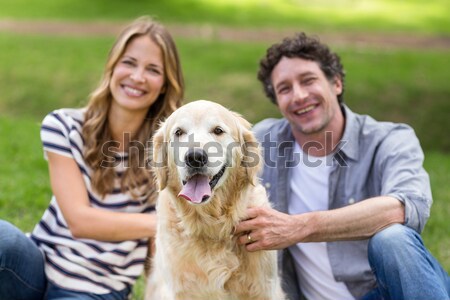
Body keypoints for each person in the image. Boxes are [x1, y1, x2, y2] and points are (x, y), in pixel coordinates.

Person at [235, 32, 450, 299]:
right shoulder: (263, 141)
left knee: (392, 240)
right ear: (277, 101)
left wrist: (300, 226)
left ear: (336, 83)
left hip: (384, 294)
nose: (299, 95)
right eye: (285, 89)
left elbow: (406, 207)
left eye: (308, 80)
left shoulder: (389, 139)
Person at [0, 16, 184, 300]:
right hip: (36, 269)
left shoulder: (169, 154)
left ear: (164, 85)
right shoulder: (63, 125)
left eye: (153, 69)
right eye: (129, 62)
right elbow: (79, 220)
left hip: (97, 291)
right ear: (112, 67)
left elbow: (158, 250)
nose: (137, 77)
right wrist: (161, 221)